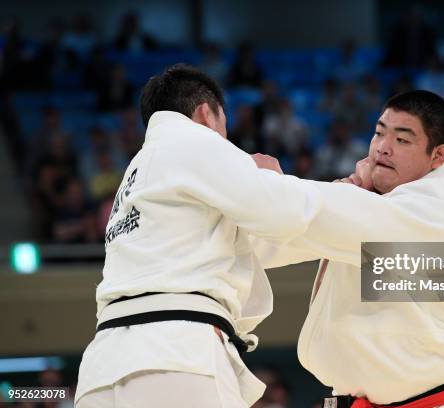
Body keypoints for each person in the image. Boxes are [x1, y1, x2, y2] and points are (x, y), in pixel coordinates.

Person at [75, 64, 323, 407]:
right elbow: (282, 217)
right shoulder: (196, 141)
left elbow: (253, 243)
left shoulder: (136, 173)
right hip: (175, 354)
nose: (226, 142)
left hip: (101, 367)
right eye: (225, 129)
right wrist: (269, 177)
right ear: (207, 114)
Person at [250, 91, 444, 407]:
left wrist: (275, 187)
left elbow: (319, 217)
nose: (383, 146)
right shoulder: (374, 203)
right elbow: (277, 242)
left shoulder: (433, 211)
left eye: (402, 140)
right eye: (380, 132)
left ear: (437, 156)